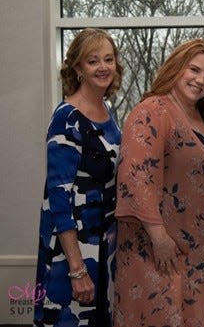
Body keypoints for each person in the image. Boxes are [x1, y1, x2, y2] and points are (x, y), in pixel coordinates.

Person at [113, 38, 204, 327]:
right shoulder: (153, 110)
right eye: (194, 70)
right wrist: (159, 237)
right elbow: (136, 175)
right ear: (176, 67)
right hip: (162, 250)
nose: (200, 80)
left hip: (201, 250)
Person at [34, 28, 123, 326]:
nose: (103, 67)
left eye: (108, 59)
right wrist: (77, 269)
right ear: (77, 68)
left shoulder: (108, 111)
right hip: (72, 253)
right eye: (92, 61)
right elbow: (58, 198)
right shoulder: (67, 117)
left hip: (104, 248)